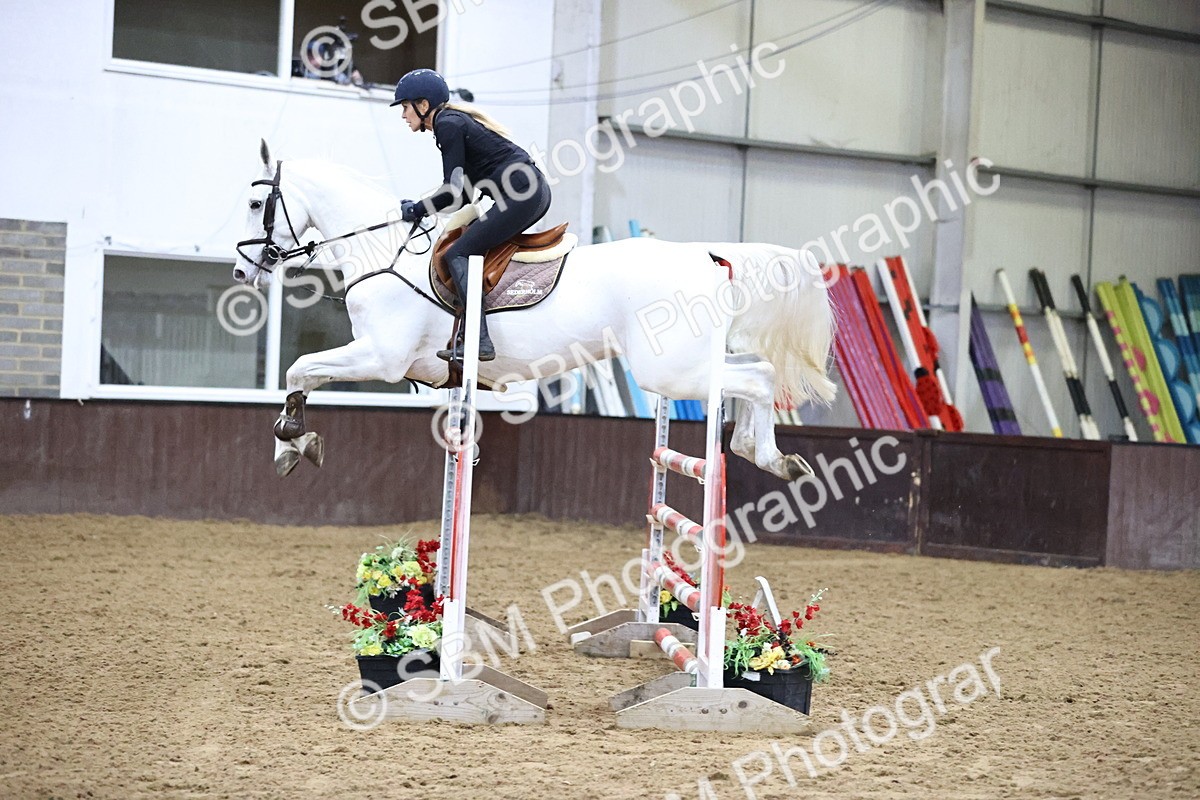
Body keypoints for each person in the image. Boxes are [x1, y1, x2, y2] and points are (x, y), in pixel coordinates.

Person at [391, 68, 552, 362]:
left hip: (522, 194)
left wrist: (417, 208)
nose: (403, 115)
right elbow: (462, 195)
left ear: (423, 105)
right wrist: (428, 211)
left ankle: (480, 341)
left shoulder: (447, 124)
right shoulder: (451, 123)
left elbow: (451, 190)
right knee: (465, 241)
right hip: (530, 193)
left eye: (405, 106)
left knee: (457, 254)